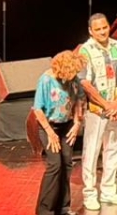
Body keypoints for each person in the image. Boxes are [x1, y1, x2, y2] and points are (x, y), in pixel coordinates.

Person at [77, 13, 117, 210]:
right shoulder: (86, 50)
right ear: (91, 31)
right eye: (97, 29)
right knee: (92, 150)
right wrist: (105, 104)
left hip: (115, 106)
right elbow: (84, 82)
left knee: (114, 147)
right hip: (97, 109)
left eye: (105, 27)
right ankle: (89, 193)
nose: (102, 31)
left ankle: (108, 190)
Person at [32, 51, 85, 215]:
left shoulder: (73, 79)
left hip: (67, 125)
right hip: (49, 126)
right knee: (55, 165)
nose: (74, 76)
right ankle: (45, 210)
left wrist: (77, 122)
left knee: (67, 164)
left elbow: (78, 100)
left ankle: (63, 207)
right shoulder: (46, 80)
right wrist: (50, 133)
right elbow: (37, 110)